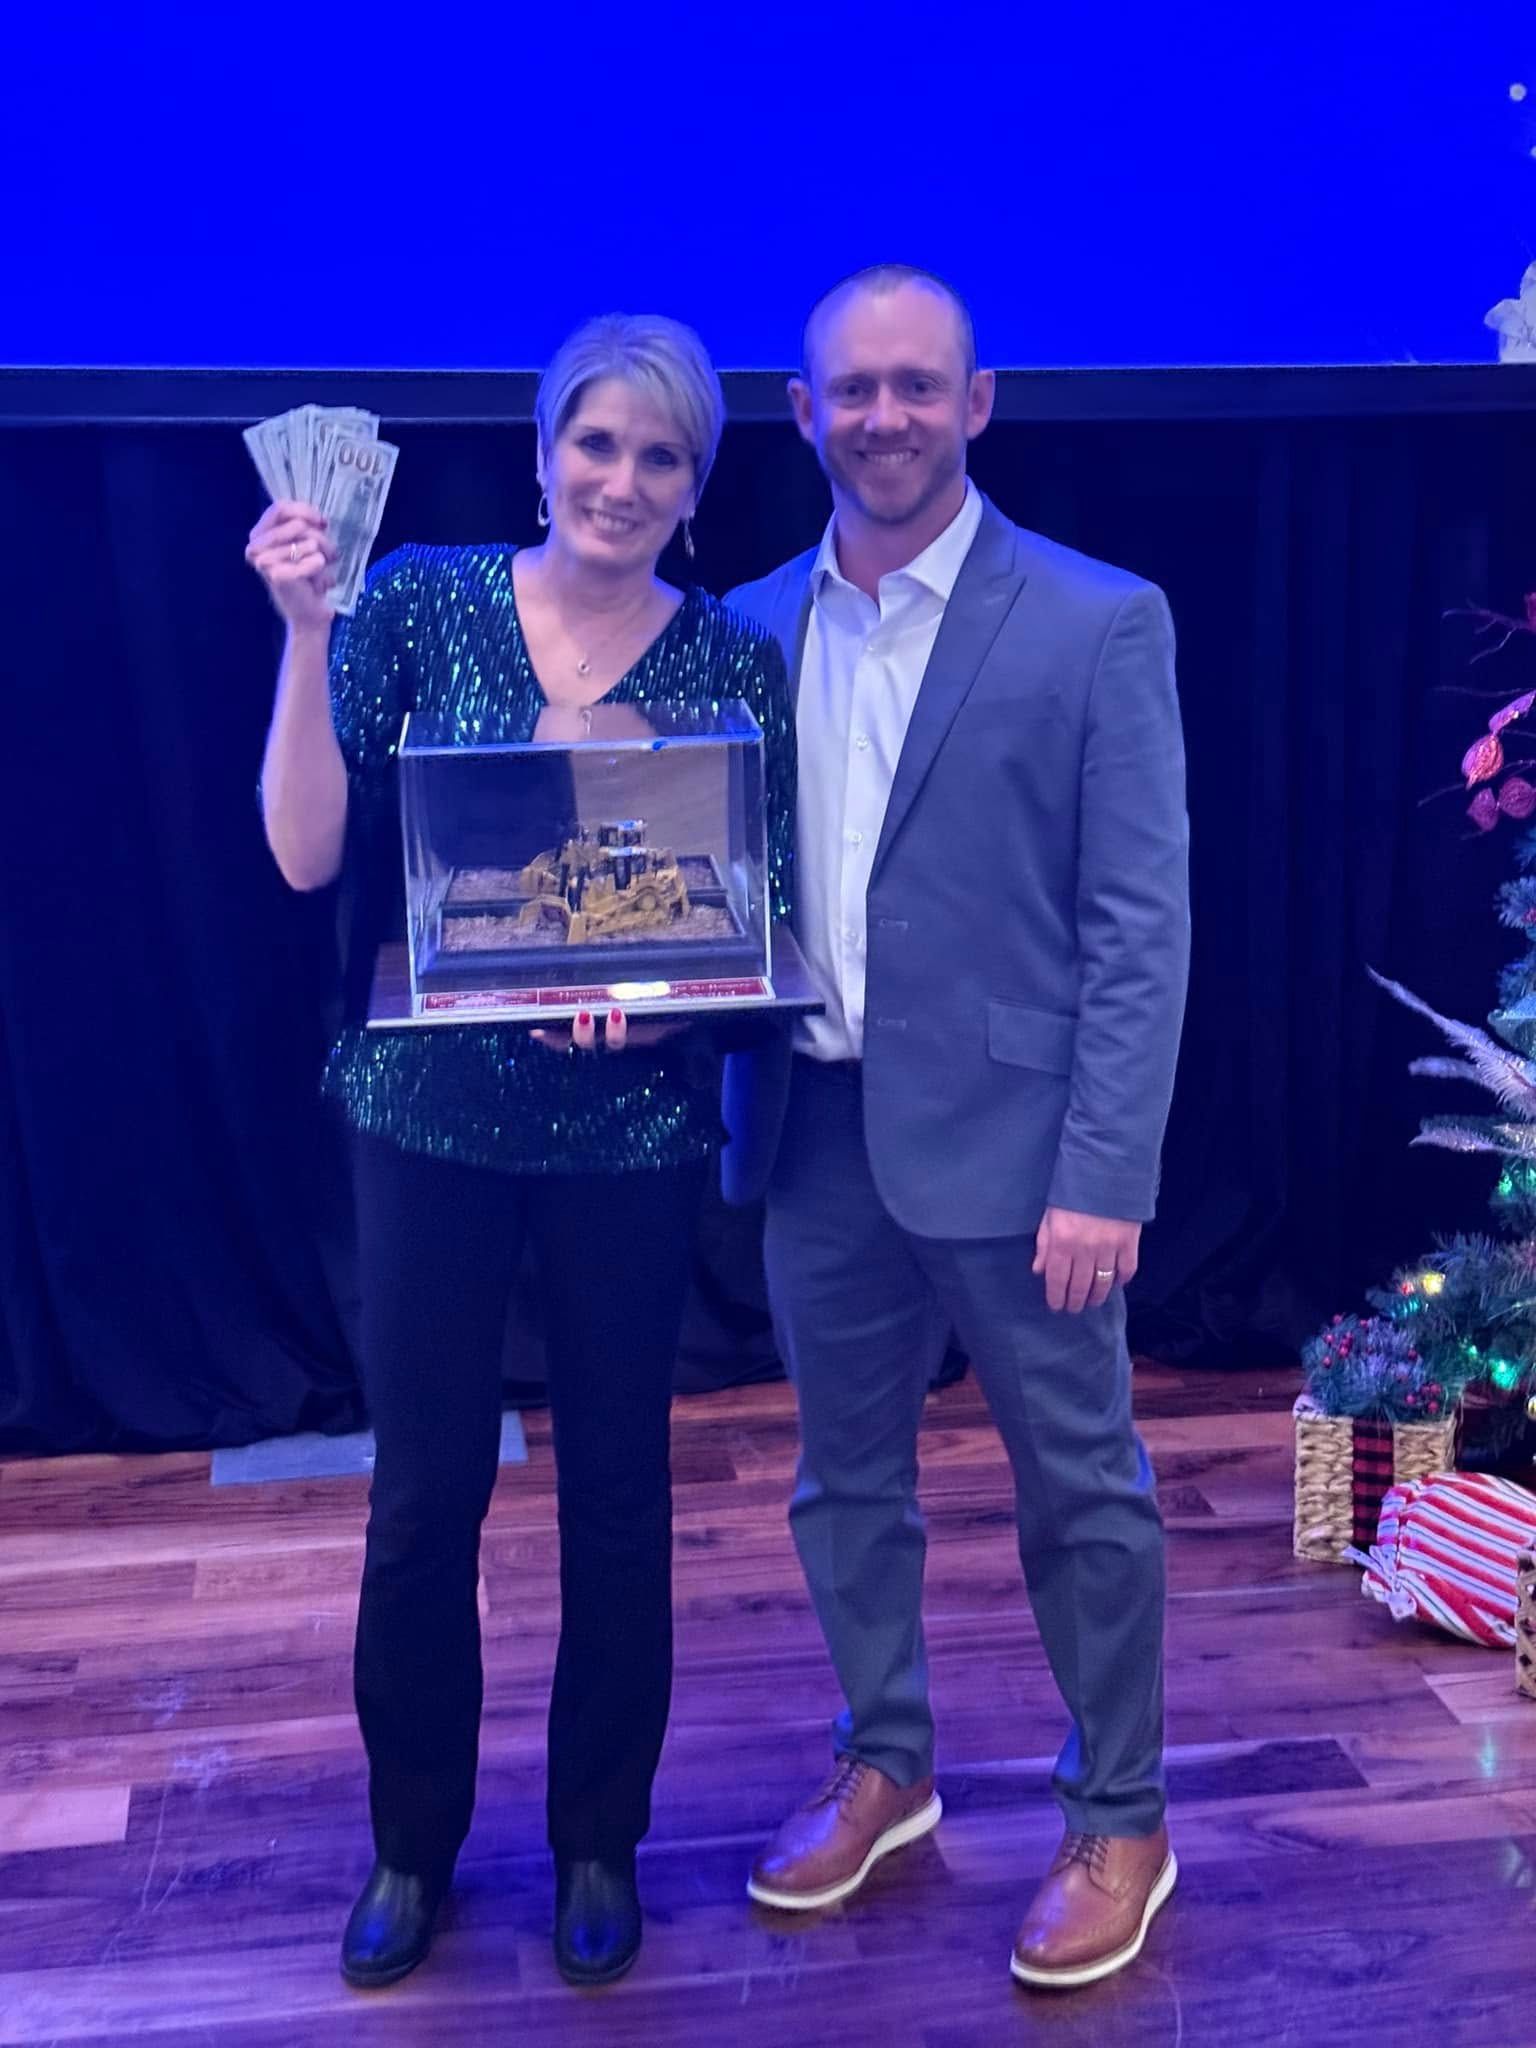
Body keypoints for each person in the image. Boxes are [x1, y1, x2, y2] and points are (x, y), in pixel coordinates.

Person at [246, 313, 794, 1992]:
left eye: (660, 456)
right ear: (545, 453)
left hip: (627, 1134)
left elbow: (746, 925)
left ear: (695, 486)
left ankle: (596, 1842)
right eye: (597, 444)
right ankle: (412, 1847)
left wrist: (666, 1017)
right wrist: (305, 633)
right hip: (430, 1120)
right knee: (426, 1497)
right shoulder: (417, 602)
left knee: (620, 1498)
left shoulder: (732, 663)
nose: (622, 481)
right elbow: (302, 857)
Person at [721, 265, 1189, 1991]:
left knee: (1083, 1492)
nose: (887, 416)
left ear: (977, 404)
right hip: (814, 1131)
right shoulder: (744, 630)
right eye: (854, 389)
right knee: (845, 1485)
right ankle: (887, 1761)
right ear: (803, 413)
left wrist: (1106, 1174)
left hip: (1025, 1152)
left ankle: (1121, 1815)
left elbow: (1141, 926)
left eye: (920, 385)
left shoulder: (1098, 620)